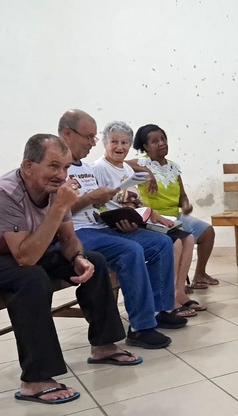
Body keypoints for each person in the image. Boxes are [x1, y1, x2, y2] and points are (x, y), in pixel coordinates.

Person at [0, 134, 141, 405]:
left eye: (65, 167)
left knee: (95, 260)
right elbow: (26, 258)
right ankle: (35, 379)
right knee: (32, 278)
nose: (61, 175)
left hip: (17, 252)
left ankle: (104, 345)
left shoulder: (56, 190)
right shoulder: (5, 194)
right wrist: (59, 207)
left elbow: (68, 239)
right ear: (28, 166)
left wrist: (78, 257)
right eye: (54, 166)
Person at [60, 110, 187, 350]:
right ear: (67, 134)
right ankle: (140, 327)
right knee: (130, 250)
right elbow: (57, 211)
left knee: (161, 243)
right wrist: (92, 198)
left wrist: (120, 215)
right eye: (89, 137)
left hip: (101, 225)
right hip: (78, 233)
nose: (92, 143)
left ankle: (159, 310)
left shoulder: (85, 167)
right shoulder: (59, 168)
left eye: (93, 137)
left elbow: (98, 205)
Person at [93, 121, 202, 315]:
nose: (120, 147)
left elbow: (137, 202)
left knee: (188, 238)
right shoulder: (99, 168)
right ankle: (166, 302)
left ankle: (179, 292)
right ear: (104, 143)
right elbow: (98, 206)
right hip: (115, 225)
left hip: (136, 220)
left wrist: (154, 215)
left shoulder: (126, 169)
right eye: (114, 142)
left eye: (124, 143)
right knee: (172, 243)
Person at [128, 123, 216, 302]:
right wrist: (147, 171)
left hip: (176, 215)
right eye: (155, 141)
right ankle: (176, 285)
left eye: (163, 139)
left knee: (208, 232)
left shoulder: (173, 168)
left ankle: (200, 274)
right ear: (145, 147)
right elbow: (119, 163)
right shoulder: (141, 163)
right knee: (180, 239)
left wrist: (186, 205)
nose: (161, 143)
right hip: (155, 217)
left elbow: (182, 196)